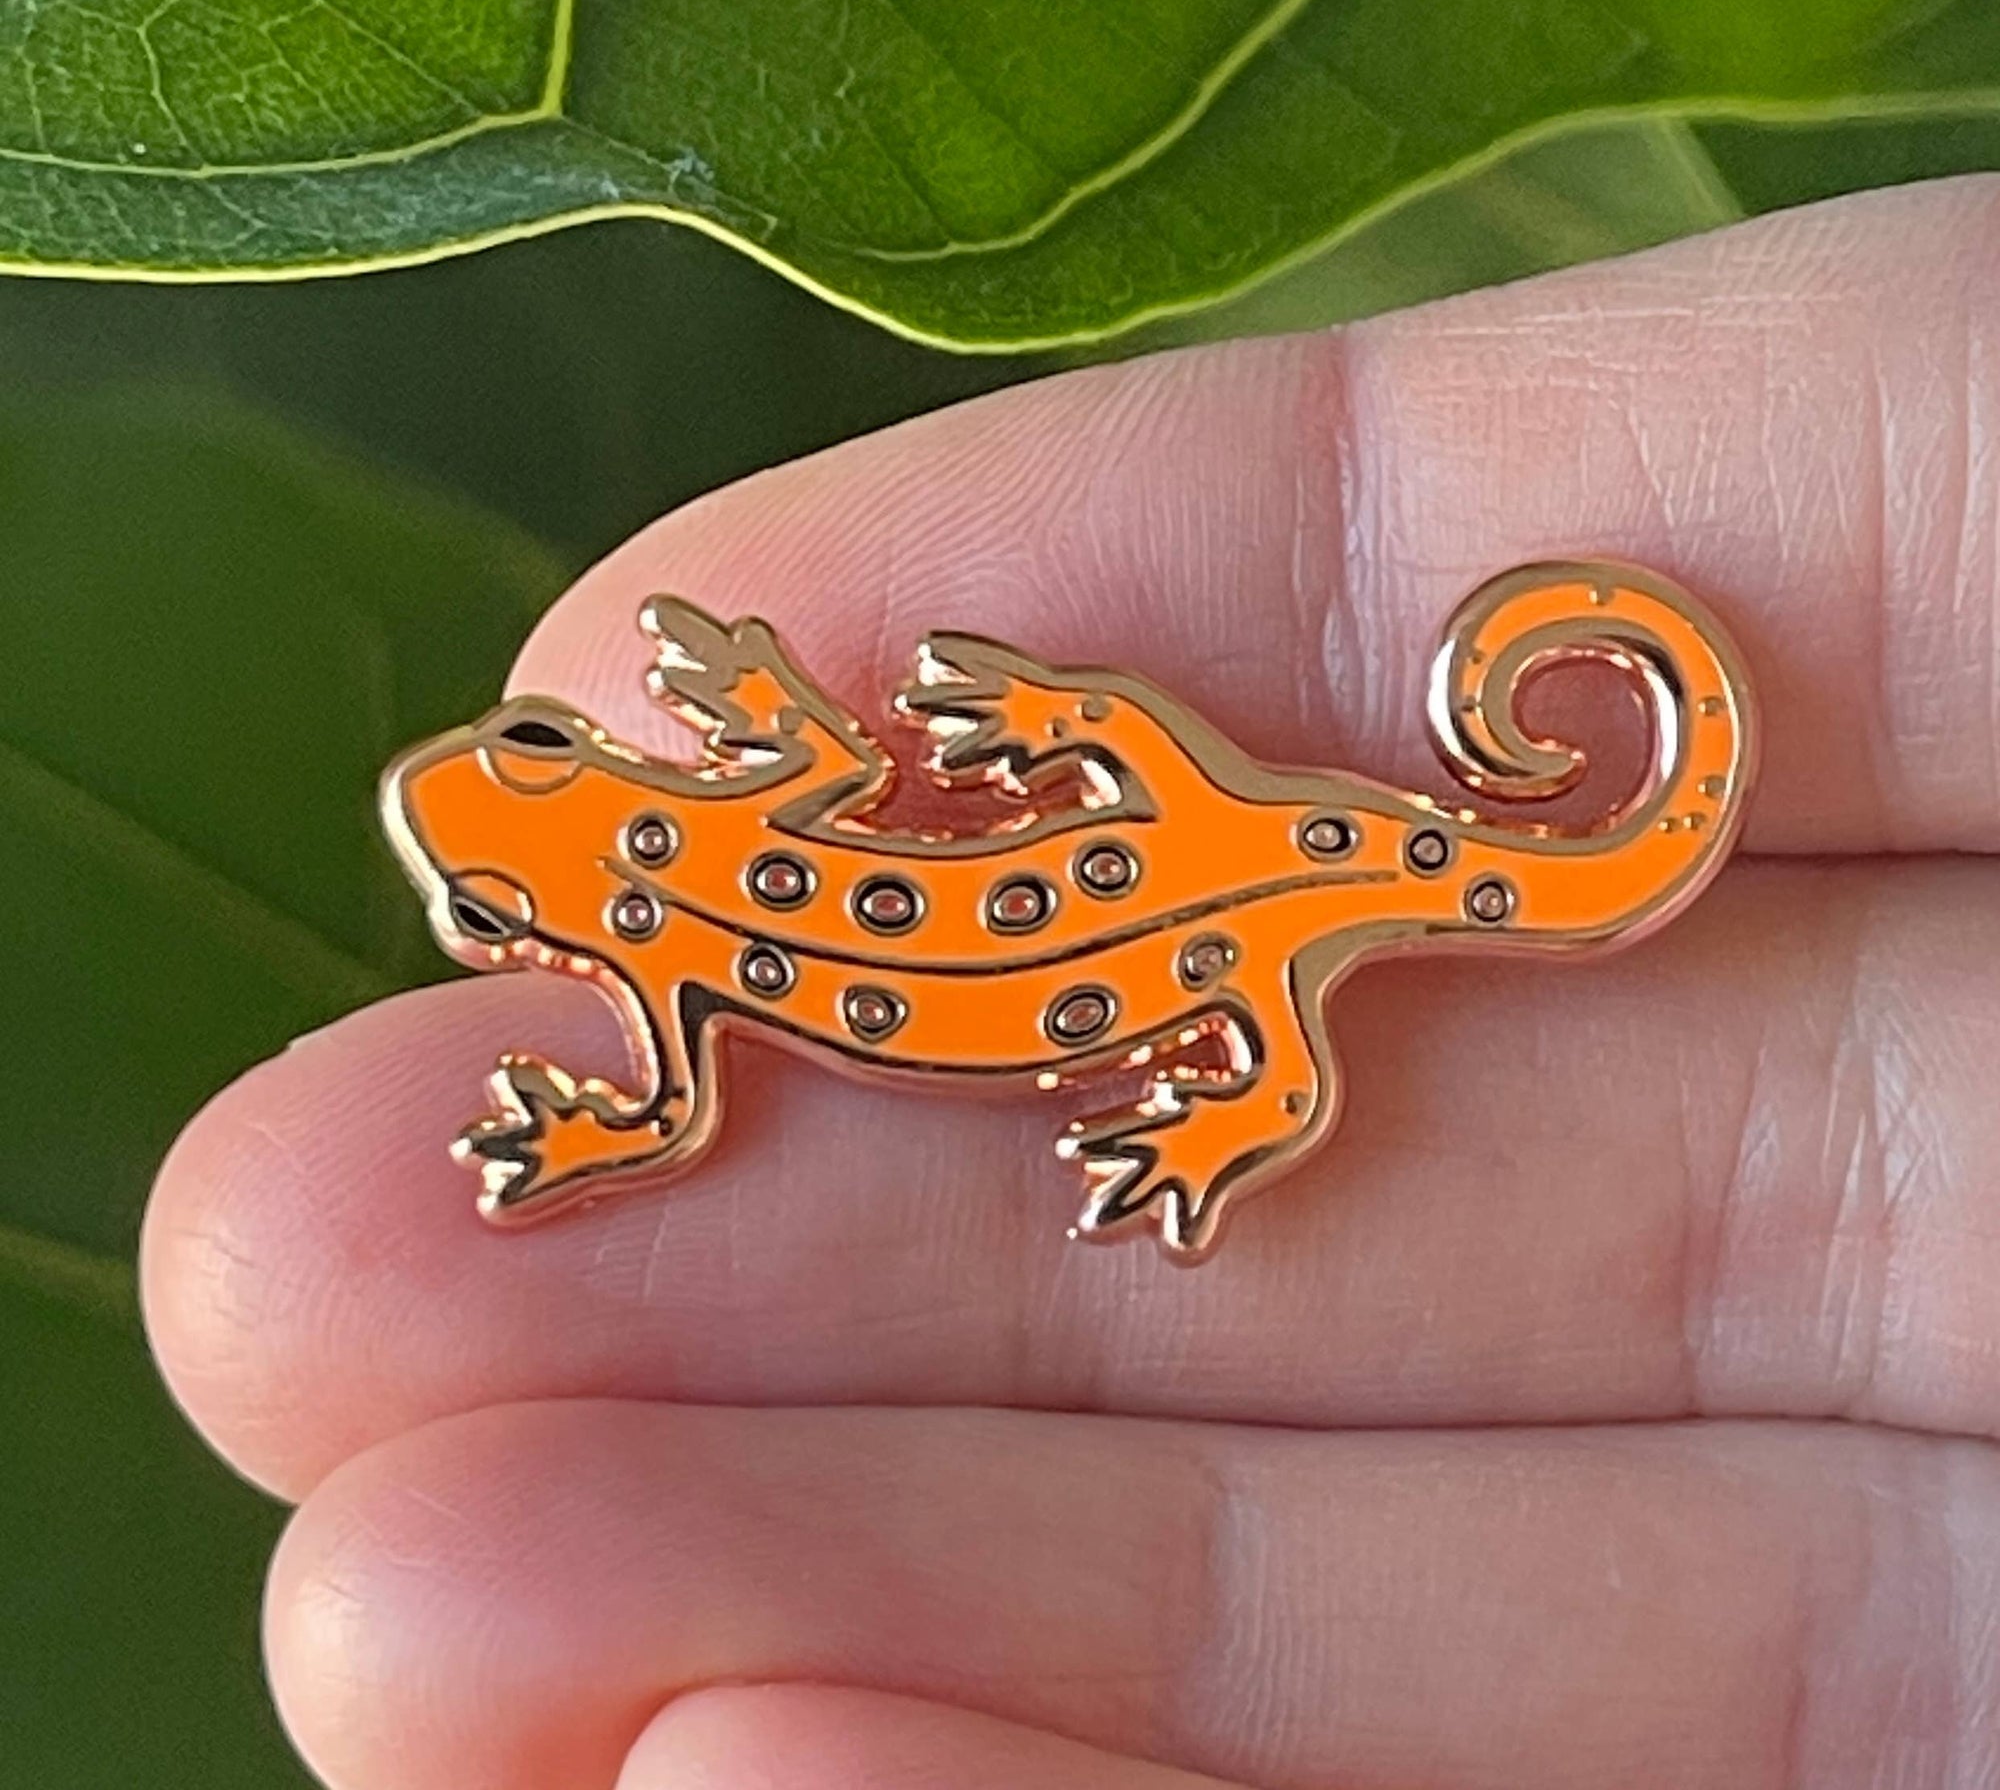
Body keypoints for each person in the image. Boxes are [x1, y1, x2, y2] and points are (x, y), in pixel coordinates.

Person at [142, 178, 2000, 1789]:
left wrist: (579, 1130)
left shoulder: (684, 962)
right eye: (522, 816)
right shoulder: (715, 873)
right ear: (533, 927)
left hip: (1196, 889)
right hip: (1180, 877)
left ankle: (1236, 1088)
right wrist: (934, 726)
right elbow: (812, 808)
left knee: (1259, 997)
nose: (550, 758)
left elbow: (669, 1105)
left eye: (546, 748)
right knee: (1255, 1025)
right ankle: (1236, 1091)